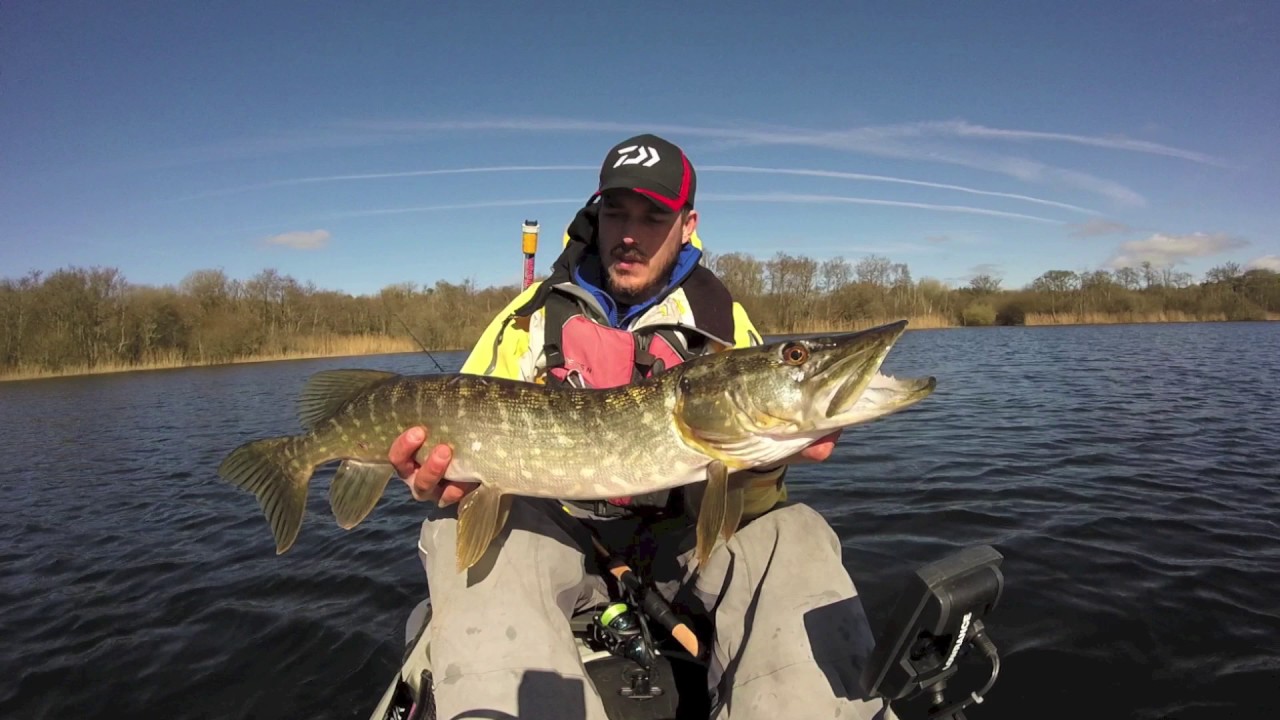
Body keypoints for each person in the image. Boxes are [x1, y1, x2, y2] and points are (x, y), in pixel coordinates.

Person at [387, 133, 891, 720]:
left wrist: (770, 460)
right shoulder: (524, 321)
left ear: (687, 224)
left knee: (794, 534)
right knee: (455, 536)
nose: (630, 233)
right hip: (558, 541)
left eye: (654, 216)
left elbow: (750, 502)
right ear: (597, 216)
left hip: (684, 541)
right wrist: (437, 478)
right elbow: (450, 452)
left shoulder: (722, 324)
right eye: (617, 213)